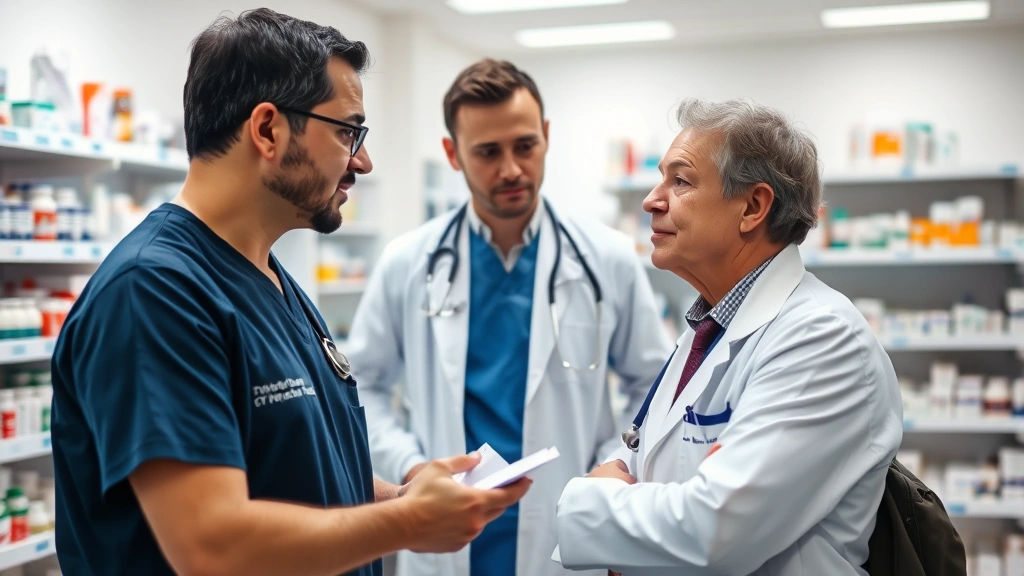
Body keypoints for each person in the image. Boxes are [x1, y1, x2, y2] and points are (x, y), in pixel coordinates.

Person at [50, 10, 529, 576]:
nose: (363, 162)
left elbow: (295, 474)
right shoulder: (154, 291)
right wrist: (408, 524)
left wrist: (401, 499)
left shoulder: (269, 278)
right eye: (348, 132)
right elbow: (210, 545)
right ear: (269, 129)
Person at [344, 59, 673, 576]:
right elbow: (361, 388)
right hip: (442, 536)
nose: (512, 169)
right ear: (453, 155)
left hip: (568, 525)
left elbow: (652, 388)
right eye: (488, 152)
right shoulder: (409, 262)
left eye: (524, 145)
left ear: (545, 136)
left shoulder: (606, 258)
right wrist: (411, 467)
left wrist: (609, 467)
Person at [553, 98, 904, 576]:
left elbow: (711, 531)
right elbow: (639, 461)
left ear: (753, 207)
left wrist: (592, 501)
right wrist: (626, 499)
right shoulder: (710, 328)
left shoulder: (822, 339)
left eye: (680, 180)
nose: (652, 200)